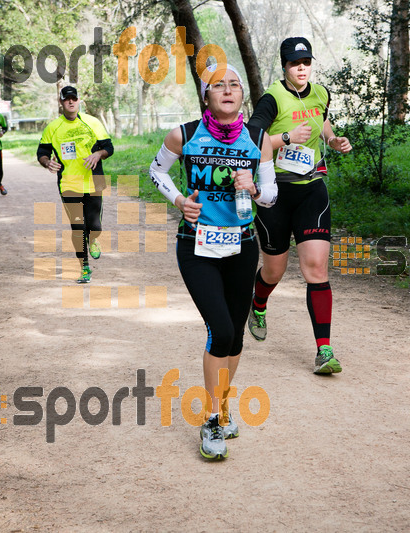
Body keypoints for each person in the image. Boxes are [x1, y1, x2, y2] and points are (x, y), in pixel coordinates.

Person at [149, 64, 277, 460]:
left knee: (235, 336)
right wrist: (178, 200)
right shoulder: (183, 135)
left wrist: (254, 188)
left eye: (234, 85)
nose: (227, 90)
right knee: (219, 330)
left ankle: (221, 409)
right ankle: (211, 418)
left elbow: (271, 196)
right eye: (218, 85)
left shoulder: (260, 138)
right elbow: (157, 171)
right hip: (196, 247)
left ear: (242, 96)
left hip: (242, 246)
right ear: (206, 96)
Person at [246, 37, 352, 375]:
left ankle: (324, 350)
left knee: (316, 270)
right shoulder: (272, 99)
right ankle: (258, 303)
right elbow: (251, 138)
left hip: (311, 190)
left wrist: (333, 139)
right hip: (275, 194)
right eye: (295, 63)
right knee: (274, 271)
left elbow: (321, 122)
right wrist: (286, 138)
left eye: (306, 61)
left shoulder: (321, 93)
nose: (302, 67)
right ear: (285, 67)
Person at [37, 86, 113, 284]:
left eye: (74, 98)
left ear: (79, 101)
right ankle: (84, 268)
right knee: (78, 227)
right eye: (67, 99)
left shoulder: (92, 123)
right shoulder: (53, 128)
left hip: (94, 182)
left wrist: (98, 154)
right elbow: (42, 152)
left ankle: (94, 239)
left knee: (94, 225)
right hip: (68, 184)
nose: (71, 102)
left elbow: (108, 147)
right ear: (61, 103)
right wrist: (47, 162)